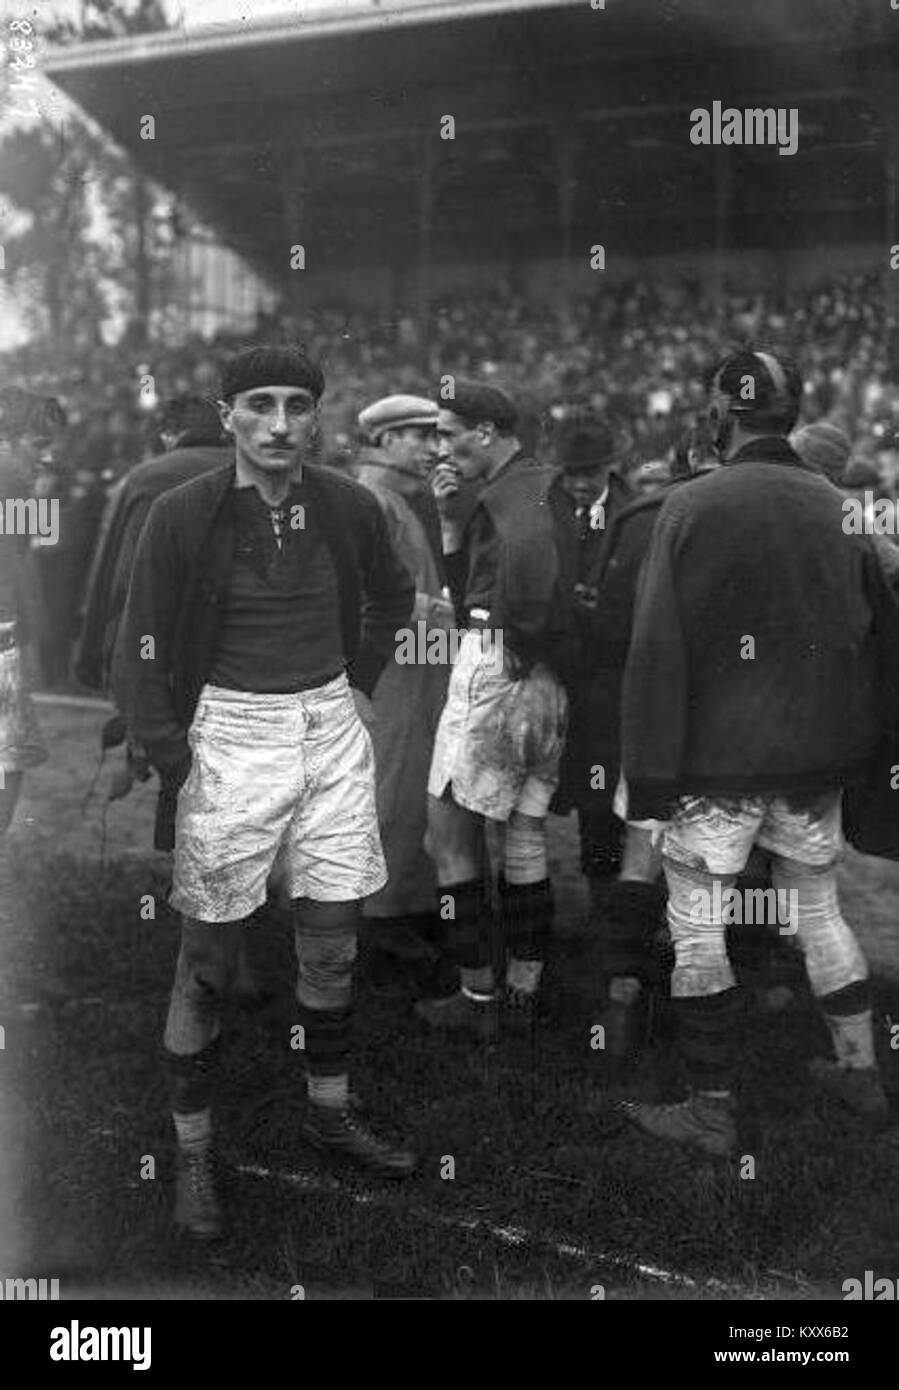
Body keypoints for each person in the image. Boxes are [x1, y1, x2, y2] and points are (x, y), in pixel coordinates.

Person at [117, 346, 418, 1239]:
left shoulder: (350, 505)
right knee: (206, 961)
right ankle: (195, 1153)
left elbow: (393, 600)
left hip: (327, 724)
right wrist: (177, 760)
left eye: (297, 405)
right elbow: (137, 647)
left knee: (330, 943)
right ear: (228, 416)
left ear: (317, 418)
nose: (280, 422)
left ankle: (329, 1113)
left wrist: (358, 684)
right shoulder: (181, 513)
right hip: (229, 735)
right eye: (260, 404)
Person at [619, 349, 895, 1156]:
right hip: (816, 760)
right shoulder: (846, 507)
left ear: (722, 412)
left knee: (699, 926)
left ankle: (711, 1108)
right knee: (818, 911)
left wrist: (649, 774)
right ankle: (857, 1074)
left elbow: (655, 649)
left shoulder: (690, 503)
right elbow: (880, 634)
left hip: (715, 762)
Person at [415, 381, 568, 1038]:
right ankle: (522, 993)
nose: (438, 447)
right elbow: (475, 585)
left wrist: (524, 645)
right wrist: (449, 522)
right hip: (539, 676)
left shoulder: (513, 493)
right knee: (524, 837)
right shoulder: (536, 482)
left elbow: (528, 583)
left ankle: (476, 997)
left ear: (484, 431)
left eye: (447, 433)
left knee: (446, 838)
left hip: (499, 664)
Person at [353, 395, 454, 986]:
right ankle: (375, 916)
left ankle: (404, 907)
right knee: (386, 783)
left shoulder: (401, 500)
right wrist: (445, 613)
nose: (432, 448)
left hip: (419, 668)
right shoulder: (371, 498)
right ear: (386, 439)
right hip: (388, 670)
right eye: (419, 436)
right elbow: (369, 592)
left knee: (415, 782)